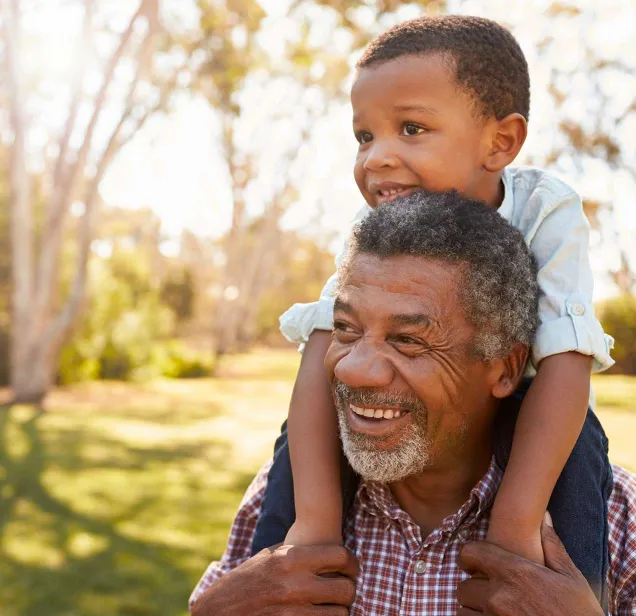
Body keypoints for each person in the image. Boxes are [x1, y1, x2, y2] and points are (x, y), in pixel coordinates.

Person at [189, 192, 636, 616]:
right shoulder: (283, 500)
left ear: (504, 367)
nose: (351, 368)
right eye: (345, 330)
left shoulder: (625, 525)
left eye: (408, 341)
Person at [253, 13, 616, 603]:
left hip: (528, 407)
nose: (376, 159)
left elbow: (567, 358)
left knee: (582, 449)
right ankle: (273, 590)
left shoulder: (545, 210)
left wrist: (515, 527)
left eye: (412, 128)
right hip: (410, 419)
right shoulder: (374, 230)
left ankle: (569, 594)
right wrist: (313, 523)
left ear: (500, 142)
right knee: (297, 439)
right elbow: (323, 346)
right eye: (364, 136)